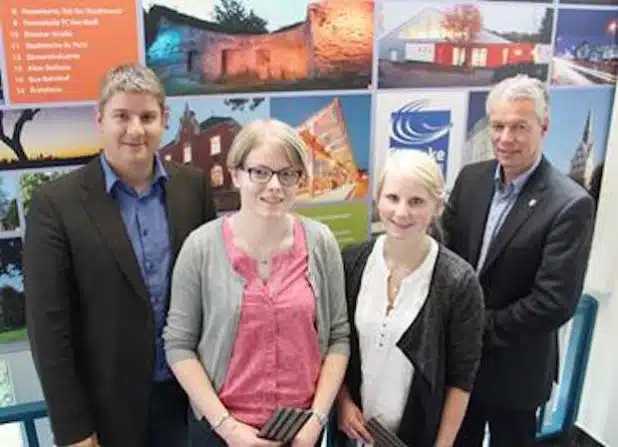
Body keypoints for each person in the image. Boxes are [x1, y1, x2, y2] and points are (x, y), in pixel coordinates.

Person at [23, 63, 217, 447]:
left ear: (164, 120)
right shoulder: (55, 204)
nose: (135, 130)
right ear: (100, 119)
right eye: (121, 116)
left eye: (147, 116)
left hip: (191, 398)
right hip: (107, 411)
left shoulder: (193, 187)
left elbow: (211, 291)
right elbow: (48, 329)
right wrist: (74, 430)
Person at [163, 118, 350, 447]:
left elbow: (337, 338)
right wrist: (229, 430)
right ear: (236, 174)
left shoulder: (321, 243)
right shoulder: (201, 247)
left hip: (300, 431)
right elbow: (178, 345)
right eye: (260, 172)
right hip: (222, 432)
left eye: (287, 173)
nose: (275, 186)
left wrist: (317, 420)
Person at [443, 75, 595, 447]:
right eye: (498, 125)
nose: (505, 138)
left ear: (543, 127)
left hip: (516, 372)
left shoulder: (570, 204)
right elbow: (445, 254)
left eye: (519, 127)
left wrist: (474, 329)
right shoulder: (470, 180)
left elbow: (553, 302)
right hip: (459, 367)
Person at [335, 149, 485, 447]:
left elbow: (461, 379)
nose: (401, 212)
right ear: (378, 198)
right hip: (353, 435)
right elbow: (334, 343)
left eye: (416, 201)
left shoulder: (459, 281)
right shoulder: (351, 263)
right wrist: (342, 403)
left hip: (418, 438)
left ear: (437, 206)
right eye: (392, 198)